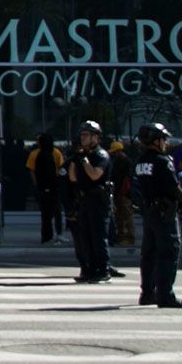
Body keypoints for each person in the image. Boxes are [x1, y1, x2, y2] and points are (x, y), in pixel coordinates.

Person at [130, 122, 182, 308]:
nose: (165, 142)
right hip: (164, 211)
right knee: (168, 252)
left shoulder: (140, 161)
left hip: (149, 211)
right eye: (163, 139)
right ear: (155, 141)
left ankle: (147, 293)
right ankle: (165, 295)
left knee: (149, 253)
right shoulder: (163, 161)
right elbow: (174, 187)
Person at [64, 122, 114, 284]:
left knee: (98, 235)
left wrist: (84, 161)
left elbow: (95, 175)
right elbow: (72, 178)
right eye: (82, 135)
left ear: (95, 137)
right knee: (85, 236)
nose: (83, 138)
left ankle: (103, 269)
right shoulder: (82, 155)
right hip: (85, 198)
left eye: (86, 135)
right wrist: (74, 160)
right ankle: (90, 269)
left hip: (98, 199)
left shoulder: (101, 155)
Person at [27, 131, 63, 245]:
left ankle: (46, 236)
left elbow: (31, 170)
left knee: (45, 213)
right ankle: (58, 234)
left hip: (42, 187)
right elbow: (61, 168)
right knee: (56, 210)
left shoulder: (34, 154)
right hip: (54, 186)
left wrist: (37, 184)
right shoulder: (56, 152)